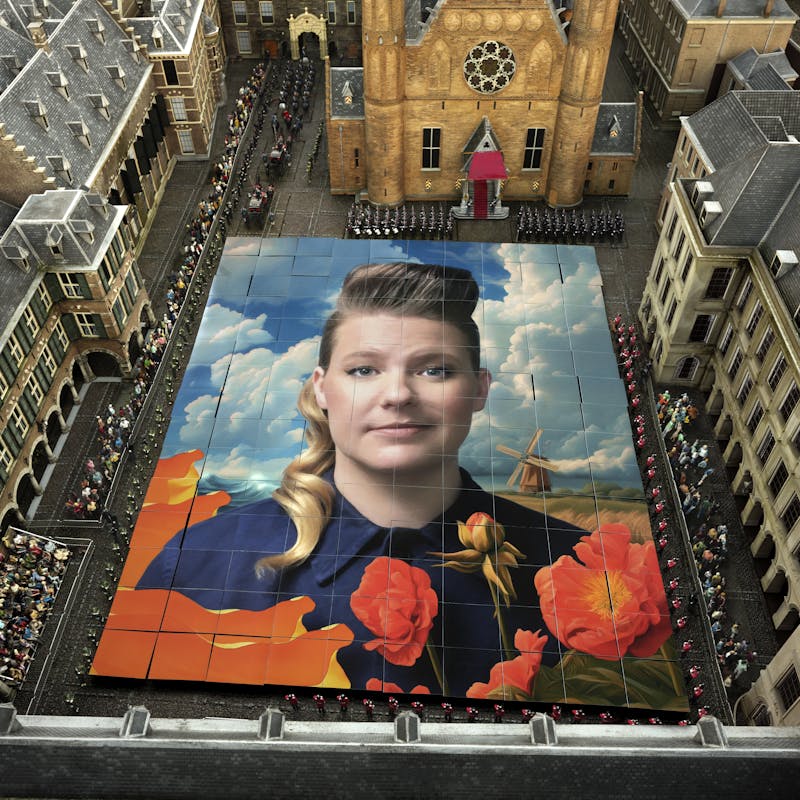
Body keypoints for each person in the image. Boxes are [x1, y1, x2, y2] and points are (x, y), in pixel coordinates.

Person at [138, 263, 590, 696]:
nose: (397, 395)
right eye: (364, 370)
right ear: (321, 387)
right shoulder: (195, 560)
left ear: (479, 389)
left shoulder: (581, 567)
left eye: (435, 369)